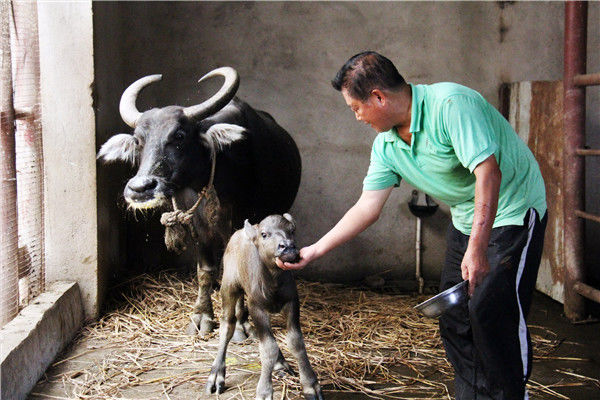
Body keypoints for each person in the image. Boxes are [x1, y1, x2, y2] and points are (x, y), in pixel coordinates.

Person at [276, 51, 547, 400]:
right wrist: (315, 251)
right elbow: (367, 207)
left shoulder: (451, 105)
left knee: (491, 313)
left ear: (378, 97)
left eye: (356, 107)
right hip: (468, 217)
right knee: (454, 317)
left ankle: (510, 395)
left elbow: (488, 173)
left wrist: (478, 248)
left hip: (513, 209)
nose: (356, 117)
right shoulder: (387, 144)